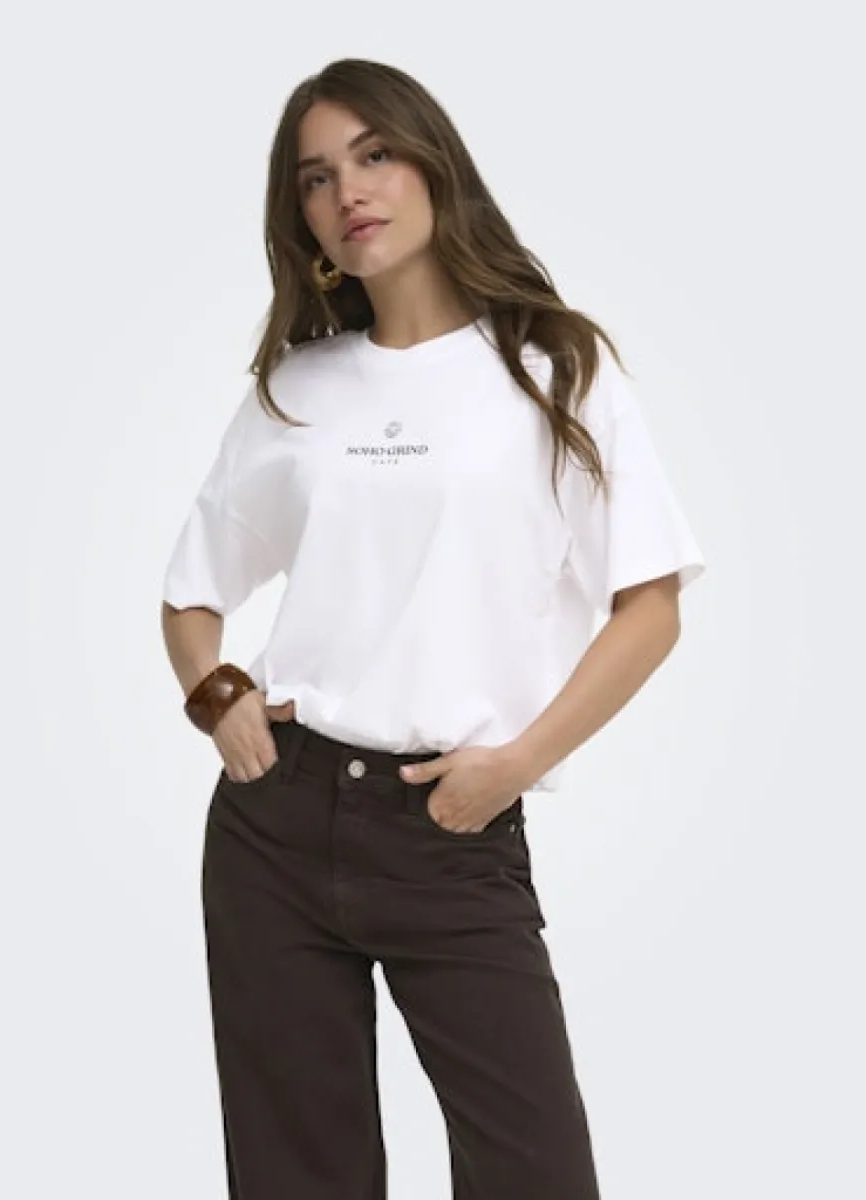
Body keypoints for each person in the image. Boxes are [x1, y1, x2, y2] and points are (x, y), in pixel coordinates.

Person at [160, 56, 705, 1200]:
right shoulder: (298, 388)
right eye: (315, 178)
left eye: (374, 155)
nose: (347, 191)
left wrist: (516, 763)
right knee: (296, 1177)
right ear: (302, 218)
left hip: (454, 822)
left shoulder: (553, 366)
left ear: (434, 164)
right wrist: (220, 700)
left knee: (536, 1173)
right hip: (275, 823)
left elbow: (650, 607)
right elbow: (193, 591)